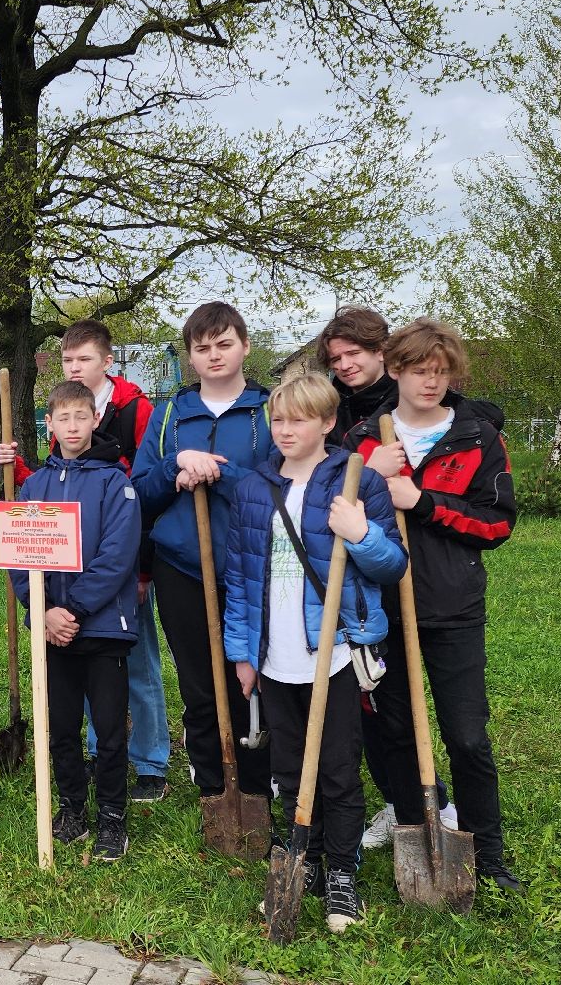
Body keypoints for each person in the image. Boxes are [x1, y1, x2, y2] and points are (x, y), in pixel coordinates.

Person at [222, 372, 405, 935]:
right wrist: (242, 652)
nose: (284, 430)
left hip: (335, 656)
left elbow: (391, 566)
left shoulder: (353, 482)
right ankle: (303, 857)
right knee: (286, 767)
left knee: (337, 769)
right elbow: (238, 575)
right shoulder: (254, 487)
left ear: (328, 423)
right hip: (273, 657)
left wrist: (360, 533)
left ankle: (341, 874)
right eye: (277, 419)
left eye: (298, 419)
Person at [344, 317, 523, 892]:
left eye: (442, 373)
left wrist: (419, 500)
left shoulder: (477, 437)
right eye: (421, 372)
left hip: (451, 608)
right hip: (380, 610)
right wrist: (369, 478)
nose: (432, 383)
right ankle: (413, 831)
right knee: (391, 730)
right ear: (394, 370)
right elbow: (335, 516)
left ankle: (486, 853)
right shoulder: (364, 439)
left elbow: (496, 525)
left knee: (467, 733)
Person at [0, 319, 169, 803]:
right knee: (80, 688)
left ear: (106, 362)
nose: (76, 366)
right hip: (65, 583)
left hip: (124, 562)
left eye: (84, 359)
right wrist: (19, 469)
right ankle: (94, 757)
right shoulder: (66, 413)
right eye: (69, 360)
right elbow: (52, 504)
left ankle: (150, 762)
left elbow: (137, 491)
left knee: (137, 666)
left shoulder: (135, 409)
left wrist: (138, 572)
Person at [131, 302, 275, 815]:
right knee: (197, 682)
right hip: (182, 568)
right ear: (190, 355)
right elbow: (139, 493)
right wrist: (175, 465)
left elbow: (282, 491)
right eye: (202, 347)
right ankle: (214, 787)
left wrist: (220, 472)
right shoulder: (172, 413)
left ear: (244, 346)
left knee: (252, 677)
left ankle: (257, 786)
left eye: (224, 344)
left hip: (251, 567)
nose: (213, 355)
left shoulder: (267, 410)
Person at [10, 380, 143, 861]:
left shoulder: (115, 482)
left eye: (80, 417)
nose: (71, 426)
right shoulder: (33, 486)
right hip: (52, 631)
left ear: (94, 420)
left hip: (103, 629)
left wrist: (75, 609)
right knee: (60, 725)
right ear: (50, 424)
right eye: (62, 418)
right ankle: (71, 806)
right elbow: (18, 556)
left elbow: (117, 555)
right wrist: (42, 610)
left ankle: (112, 815)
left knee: (108, 729)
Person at [314, 306, 398, 447]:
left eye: (353, 353)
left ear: (380, 351)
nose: (345, 365)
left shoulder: (409, 401)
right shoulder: (324, 407)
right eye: (336, 359)